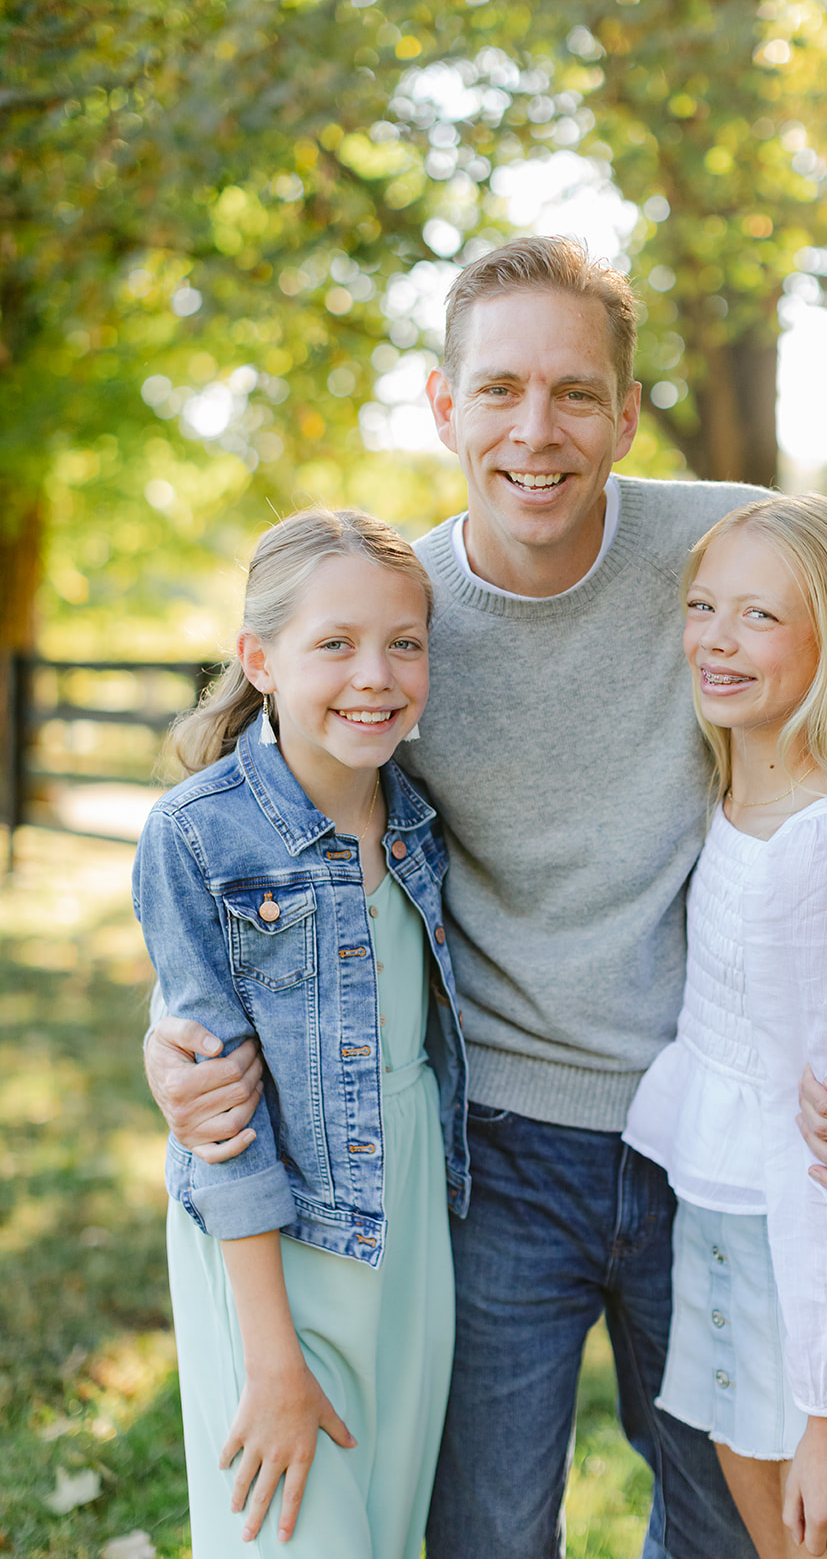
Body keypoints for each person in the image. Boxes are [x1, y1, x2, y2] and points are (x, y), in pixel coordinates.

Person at [144, 238, 827, 1559]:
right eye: (501, 389)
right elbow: (255, 846)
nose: (537, 431)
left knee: (725, 1528)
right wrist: (173, 1033)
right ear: (441, 403)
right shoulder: (397, 624)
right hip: (500, 1151)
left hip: (719, 1147)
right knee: (485, 1532)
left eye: (576, 393)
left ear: (625, 412)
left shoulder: (733, 562)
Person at [624, 492, 827, 1558]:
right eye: (702, 605)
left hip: (818, 1279)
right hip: (730, 1233)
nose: (716, 639)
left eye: (760, 617)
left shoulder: (822, 849)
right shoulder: (740, 795)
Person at [132, 508, 469, 1557]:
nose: (374, 674)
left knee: (380, 1524)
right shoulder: (197, 831)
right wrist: (270, 1356)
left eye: (402, 643)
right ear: (259, 658)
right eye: (335, 643)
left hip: (410, 1225)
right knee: (289, 1533)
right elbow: (220, 1119)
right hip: (272, 1248)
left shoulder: (415, 817)